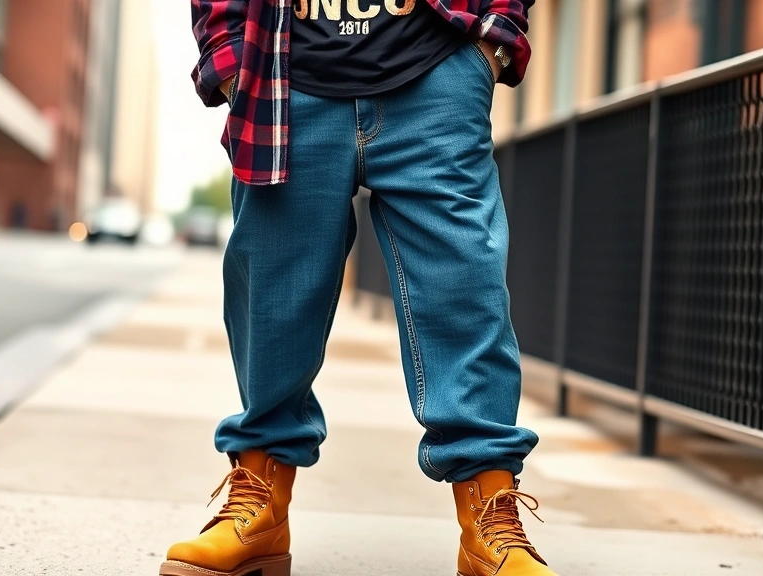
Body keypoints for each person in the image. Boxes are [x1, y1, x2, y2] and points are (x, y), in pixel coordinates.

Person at [162, 0, 557, 574]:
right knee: (273, 295)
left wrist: (490, 47)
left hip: (435, 69)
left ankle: (488, 515)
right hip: (286, 75)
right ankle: (261, 506)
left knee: (466, 291)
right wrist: (228, 64)